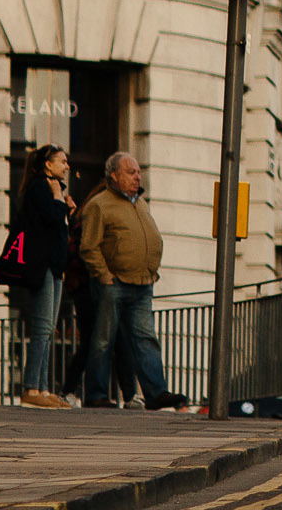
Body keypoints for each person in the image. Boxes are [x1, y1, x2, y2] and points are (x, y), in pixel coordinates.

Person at [75, 153, 185, 411]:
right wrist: (105, 276)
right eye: (131, 172)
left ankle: (156, 392)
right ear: (114, 175)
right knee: (103, 340)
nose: (138, 176)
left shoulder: (140, 203)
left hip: (142, 283)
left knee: (146, 338)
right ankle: (96, 394)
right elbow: (89, 246)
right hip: (114, 283)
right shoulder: (99, 205)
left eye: (138, 171)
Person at [5, 144, 76, 407]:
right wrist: (59, 201)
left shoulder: (54, 189)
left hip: (55, 267)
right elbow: (51, 218)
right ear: (48, 164)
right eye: (62, 161)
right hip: (42, 266)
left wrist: (63, 203)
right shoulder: (39, 187)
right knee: (43, 327)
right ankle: (31, 388)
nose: (67, 166)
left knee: (49, 329)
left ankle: (44, 389)